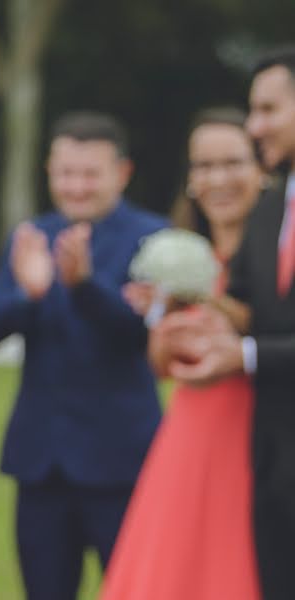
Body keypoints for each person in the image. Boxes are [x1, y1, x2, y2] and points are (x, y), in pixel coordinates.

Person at [0, 112, 166, 600]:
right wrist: (29, 295)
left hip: (120, 458)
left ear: (121, 173)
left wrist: (83, 287)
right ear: (49, 172)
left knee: (136, 589)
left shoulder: (152, 238)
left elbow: (142, 334)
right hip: (42, 461)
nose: (76, 186)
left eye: (90, 174)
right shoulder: (32, 234)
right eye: (66, 173)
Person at [100, 107, 263, 600]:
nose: (217, 180)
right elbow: (161, 364)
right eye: (203, 166)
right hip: (186, 436)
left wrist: (204, 300)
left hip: (250, 436)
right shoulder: (185, 252)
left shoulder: (270, 259)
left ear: (262, 169)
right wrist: (160, 317)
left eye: (232, 163)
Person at [157, 46, 295, 599]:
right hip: (274, 468)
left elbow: (253, 340)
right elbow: (241, 305)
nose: (254, 126)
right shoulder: (270, 207)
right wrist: (184, 305)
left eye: (267, 109)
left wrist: (246, 356)